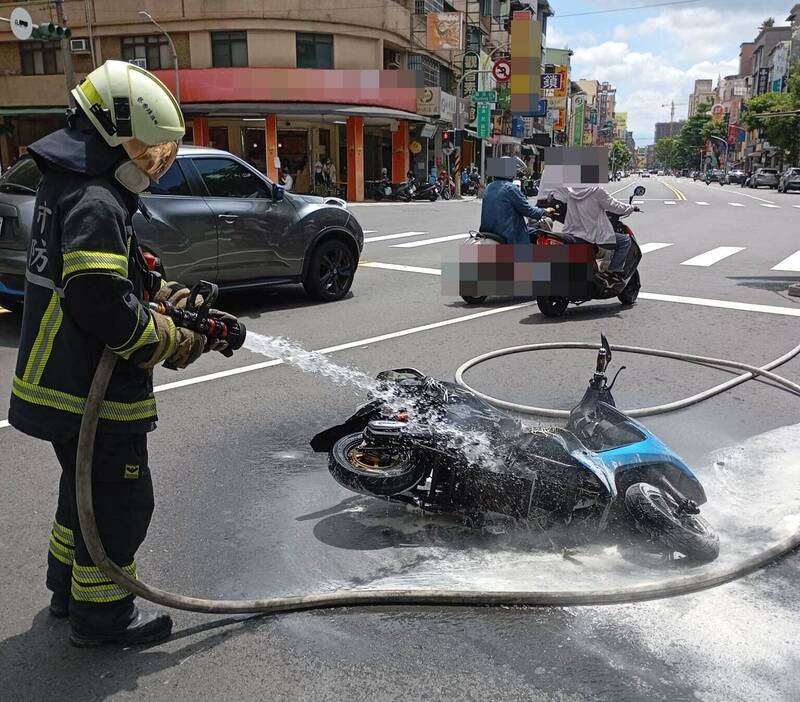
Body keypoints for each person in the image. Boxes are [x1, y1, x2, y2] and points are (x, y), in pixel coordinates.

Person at [8, 60, 233, 648]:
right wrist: (180, 339)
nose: (151, 163)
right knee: (122, 501)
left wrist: (174, 299)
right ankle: (104, 618)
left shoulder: (72, 185)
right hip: (91, 394)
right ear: (104, 133)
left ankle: (68, 590)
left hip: (56, 382)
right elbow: (105, 306)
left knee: (80, 488)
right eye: (142, 148)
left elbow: (116, 277)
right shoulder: (96, 201)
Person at [546, 184, 638, 288]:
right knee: (625, 241)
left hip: (571, 232)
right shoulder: (596, 191)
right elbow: (614, 206)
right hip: (593, 234)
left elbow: (554, 196)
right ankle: (613, 273)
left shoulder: (570, 190)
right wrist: (631, 208)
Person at [480, 163, 554, 245]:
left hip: (488, 231)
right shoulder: (510, 188)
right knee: (538, 234)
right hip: (507, 233)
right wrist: (545, 211)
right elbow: (529, 211)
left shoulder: (489, 187)